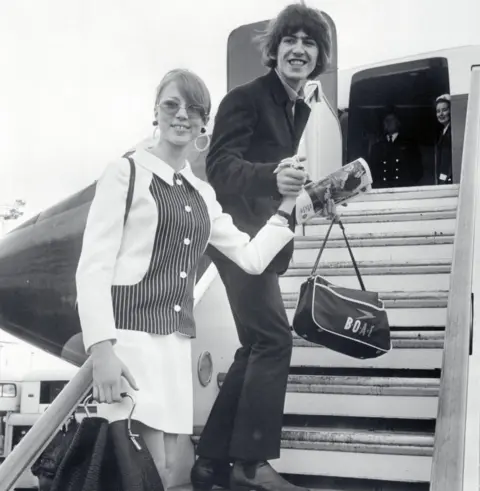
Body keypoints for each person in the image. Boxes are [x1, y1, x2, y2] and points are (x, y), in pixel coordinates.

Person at [75, 68, 307, 490]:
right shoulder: (125, 173)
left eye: (195, 108)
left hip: (176, 346)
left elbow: (251, 259)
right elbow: (92, 266)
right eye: (172, 105)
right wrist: (102, 350)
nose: (182, 115)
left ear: (205, 122)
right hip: (130, 343)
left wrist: (287, 206)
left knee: (174, 473)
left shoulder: (201, 192)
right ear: (156, 113)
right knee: (138, 473)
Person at [191, 4, 332, 491]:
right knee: (274, 339)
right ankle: (251, 465)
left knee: (255, 345)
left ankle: (210, 461)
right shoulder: (245, 98)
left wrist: (314, 197)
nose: (298, 49)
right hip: (238, 240)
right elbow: (221, 168)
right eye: (289, 40)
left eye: (309, 42)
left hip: (270, 239)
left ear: (319, 55)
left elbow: (282, 179)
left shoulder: (300, 108)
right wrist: (273, 178)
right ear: (273, 51)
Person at [369, 110, 423, 188]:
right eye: (386, 120)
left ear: (398, 123)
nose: (388, 123)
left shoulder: (409, 145)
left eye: (391, 120)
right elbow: (372, 172)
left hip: (403, 189)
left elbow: (418, 170)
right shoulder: (376, 147)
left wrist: (409, 184)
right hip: (382, 190)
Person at [434, 94, 452, 184]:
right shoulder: (443, 132)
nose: (440, 114)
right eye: (438, 111)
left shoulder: (452, 132)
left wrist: (443, 180)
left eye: (444, 110)